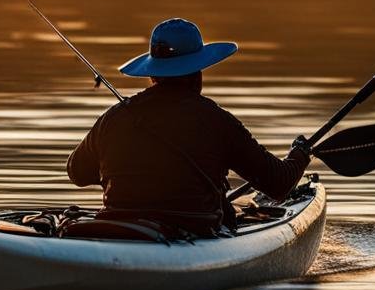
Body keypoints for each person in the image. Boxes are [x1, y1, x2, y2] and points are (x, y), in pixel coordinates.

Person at [66, 18, 311, 230]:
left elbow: (77, 173)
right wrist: (300, 153)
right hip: (194, 232)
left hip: (119, 227)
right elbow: (279, 184)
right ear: (197, 72)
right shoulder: (216, 121)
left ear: (152, 74)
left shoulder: (114, 118)